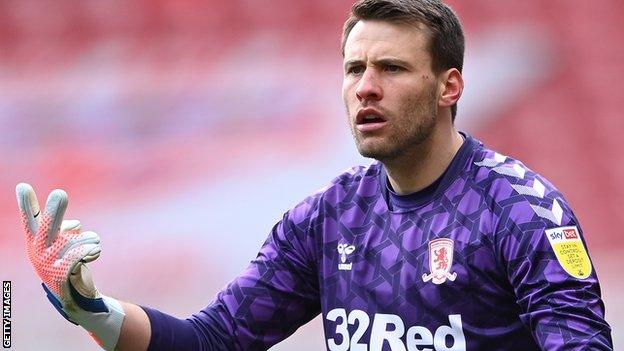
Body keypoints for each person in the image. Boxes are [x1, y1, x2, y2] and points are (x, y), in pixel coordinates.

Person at [16, 0, 613, 350]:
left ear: (448, 86)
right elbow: (213, 340)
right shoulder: (328, 219)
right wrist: (89, 308)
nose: (366, 87)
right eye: (354, 69)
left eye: (392, 68)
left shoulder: (520, 212)